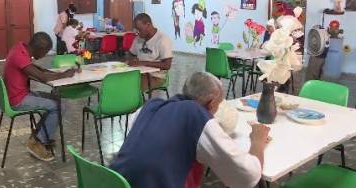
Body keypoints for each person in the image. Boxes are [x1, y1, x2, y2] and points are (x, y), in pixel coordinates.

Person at [110, 72, 270, 188]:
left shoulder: (149, 106)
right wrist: (257, 141)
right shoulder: (197, 116)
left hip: (115, 182)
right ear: (211, 102)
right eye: (219, 103)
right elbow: (248, 177)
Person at [4, 32, 79, 161]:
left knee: (58, 101)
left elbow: (37, 69)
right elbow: (42, 77)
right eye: (45, 52)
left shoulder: (20, 48)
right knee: (57, 106)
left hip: (20, 94)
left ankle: (38, 136)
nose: (44, 55)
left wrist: (56, 73)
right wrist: (65, 75)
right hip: (18, 99)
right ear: (39, 49)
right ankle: (38, 142)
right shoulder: (19, 56)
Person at [127, 13, 173, 91]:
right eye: (136, 30)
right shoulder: (138, 39)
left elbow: (167, 65)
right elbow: (131, 54)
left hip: (156, 77)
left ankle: (138, 102)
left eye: (139, 29)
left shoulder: (163, 39)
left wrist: (143, 63)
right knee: (117, 81)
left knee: (130, 86)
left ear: (148, 25)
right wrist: (132, 60)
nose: (137, 32)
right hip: (139, 73)